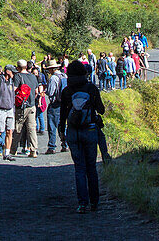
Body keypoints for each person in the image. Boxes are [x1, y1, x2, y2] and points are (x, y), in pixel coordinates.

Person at [60, 59, 106, 213]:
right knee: (91, 168)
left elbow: (63, 115)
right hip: (90, 130)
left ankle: (82, 204)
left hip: (73, 131)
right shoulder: (91, 88)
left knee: (79, 168)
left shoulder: (67, 91)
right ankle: (95, 202)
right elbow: (102, 110)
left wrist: (62, 131)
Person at [0, 64, 17, 160]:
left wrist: (13, 110)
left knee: (10, 131)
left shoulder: (11, 82)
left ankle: (7, 153)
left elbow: (13, 96)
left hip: (9, 110)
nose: (14, 74)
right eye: (13, 72)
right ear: (8, 71)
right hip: (0, 109)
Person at [13, 59, 40, 158]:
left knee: (18, 128)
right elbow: (36, 91)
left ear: (18, 67)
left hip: (21, 106)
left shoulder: (18, 76)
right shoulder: (33, 77)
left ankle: (13, 149)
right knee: (32, 128)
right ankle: (33, 150)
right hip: (32, 106)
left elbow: (14, 90)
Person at [44, 60, 66, 154]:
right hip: (64, 104)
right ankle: (65, 144)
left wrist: (45, 91)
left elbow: (50, 92)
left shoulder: (53, 78)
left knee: (52, 125)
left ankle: (52, 146)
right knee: (63, 125)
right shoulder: (64, 76)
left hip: (55, 104)